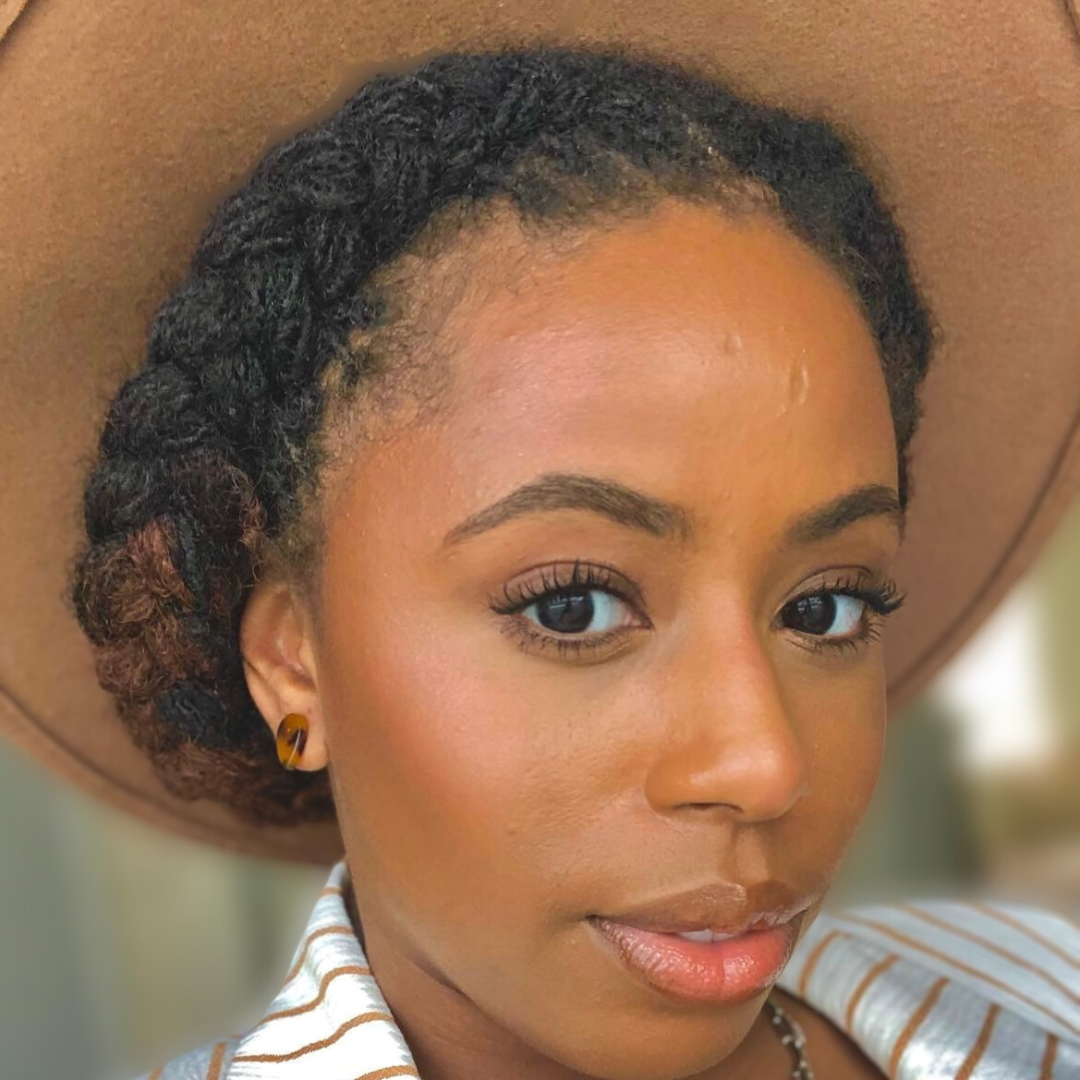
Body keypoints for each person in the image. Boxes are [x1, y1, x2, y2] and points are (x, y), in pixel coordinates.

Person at [2, 13, 1078, 1080]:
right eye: (574, 606)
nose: (763, 765)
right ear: (294, 662)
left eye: (827, 606)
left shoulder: (1044, 989)